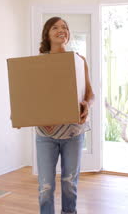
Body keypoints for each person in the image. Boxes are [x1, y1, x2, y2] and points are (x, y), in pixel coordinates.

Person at [36, 16, 94, 214]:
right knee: (45, 188)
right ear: (47, 34)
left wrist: (87, 104)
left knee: (70, 184)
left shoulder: (79, 60)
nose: (61, 30)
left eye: (65, 27)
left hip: (73, 132)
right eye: (55, 27)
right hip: (46, 134)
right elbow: (31, 97)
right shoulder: (38, 63)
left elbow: (90, 93)